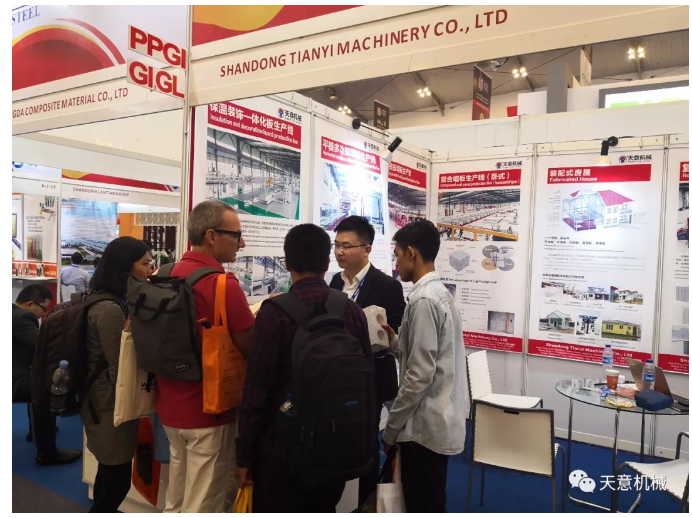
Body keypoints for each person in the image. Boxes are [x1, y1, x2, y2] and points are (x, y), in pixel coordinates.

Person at [235, 223, 373, 512]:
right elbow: (365, 377)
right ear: (327, 263)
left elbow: (256, 392)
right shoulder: (351, 311)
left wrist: (244, 456)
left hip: (282, 452)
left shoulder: (273, 315)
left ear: (287, 263)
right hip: (334, 447)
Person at [156, 200, 255, 513]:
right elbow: (251, 346)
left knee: (176, 499)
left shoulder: (163, 274)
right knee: (204, 504)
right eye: (236, 235)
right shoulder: (222, 285)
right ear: (211, 236)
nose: (241, 243)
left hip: (169, 406)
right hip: (210, 412)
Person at [382, 220, 468, 513]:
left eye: (397, 255)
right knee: (431, 500)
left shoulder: (422, 300)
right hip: (437, 422)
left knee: (422, 503)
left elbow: (418, 375)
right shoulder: (440, 293)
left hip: (423, 429)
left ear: (411, 253)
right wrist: (396, 342)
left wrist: (391, 427)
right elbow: (432, 355)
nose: (396, 264)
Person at [328, 215, 405, 507]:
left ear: (366, 249)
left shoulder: (386, 286)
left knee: (367, 443)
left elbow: (397, 334)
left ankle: (367, 502)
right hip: (337, 376)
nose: (339, 252)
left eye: (346, 246)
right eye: (337, 245)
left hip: (371, 376)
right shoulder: (335, 281)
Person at [83, 237, 153, 512]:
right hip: (109, 406)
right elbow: (119, 368)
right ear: (125, 268)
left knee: (108, 475)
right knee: (116, 483)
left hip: (104, 403)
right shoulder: (110, 309)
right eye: (145, 263)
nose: (150, 269)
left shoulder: (107, 300)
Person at [13, 284, 82, 465]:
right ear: (29, 304)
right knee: (45, 391)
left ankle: (35, 432)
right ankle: (47, 453)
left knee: (36, 382)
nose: (43, 314)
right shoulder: (23, 318)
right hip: (14, 380)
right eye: (43, 309)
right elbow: (41, 345)